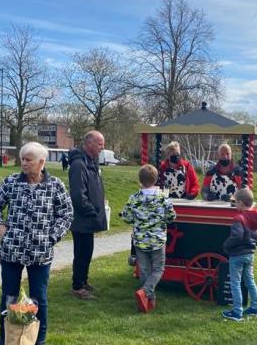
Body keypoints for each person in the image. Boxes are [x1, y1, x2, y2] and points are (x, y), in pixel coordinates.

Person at [0, 142, 73, 345]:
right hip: (11, 250)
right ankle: (5, 339)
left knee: (38, 298)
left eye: (29, 160)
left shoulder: (55, 186)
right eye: (22, 159)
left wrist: (52, 237)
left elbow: (66, 215)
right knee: (9, 296)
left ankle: (38, 341)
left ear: (41, 162)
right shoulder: (11, 183)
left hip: (40, 253)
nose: (24, 163)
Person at [120, 164, 176, 313]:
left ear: (140, 180)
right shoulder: (163, 198)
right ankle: (146, 293)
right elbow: (171, 217)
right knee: (158, 268)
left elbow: (126, 217)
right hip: (157, 240)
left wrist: (137, 222)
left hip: (140, 240)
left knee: (144, 270)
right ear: (157, 179)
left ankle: (146, 299)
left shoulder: (134, 198)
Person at [68, 131, 107, 300]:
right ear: (89, 143)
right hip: (82, 219)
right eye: (99, 143)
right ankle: (77, 287)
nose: (102, 147)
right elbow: (78, 195)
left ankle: (83, 281)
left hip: (89, 219)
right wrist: (92, 210)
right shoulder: (79, 164)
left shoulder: (91, 162)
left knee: (87, 251)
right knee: (81, 253)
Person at [222, 187, 257, 321]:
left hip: (237, 255)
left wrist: (226, 245)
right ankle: (255, 307)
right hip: (250, 254)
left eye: (235, 202)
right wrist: (252, 246)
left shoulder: (238, 218)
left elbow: (237, 237)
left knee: (235, 283)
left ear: (240, 202)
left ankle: (237, 311)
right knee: (250, 281)